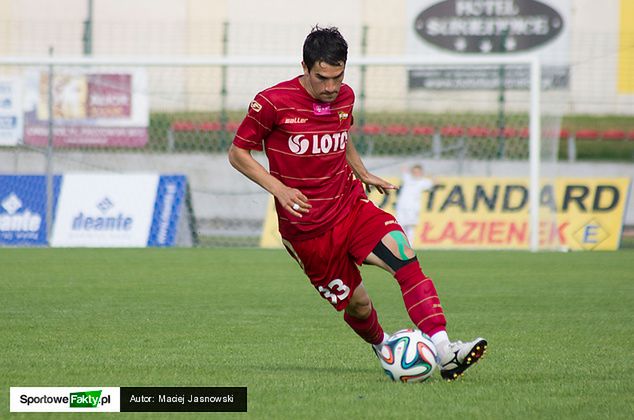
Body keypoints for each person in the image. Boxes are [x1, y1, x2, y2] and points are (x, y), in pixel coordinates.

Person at [228, 26, 486, 381]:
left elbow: (342, 135)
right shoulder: (272, 102)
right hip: (307, 230)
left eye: (338, 76)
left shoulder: (345, 97)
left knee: (405, 258)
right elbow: (237, 153)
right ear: (304, 67)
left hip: (350, 205)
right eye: (322, 78)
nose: (331, 87)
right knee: (359, 305)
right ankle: (385, 349)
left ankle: (445, 350)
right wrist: (280, 190)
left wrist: (362, 172)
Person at [396, 164, 434, 243]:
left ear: (421, 173)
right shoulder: (408, 178)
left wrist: (427, 175)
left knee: (410, 228)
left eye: (418, 172)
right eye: (414, 172)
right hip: (401, 207)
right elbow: (403, 168)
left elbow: (435, 181)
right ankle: (400, 245)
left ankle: (409, 246)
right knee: (400, 226)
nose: (416, 173)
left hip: (413, 208)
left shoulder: (423, 182)